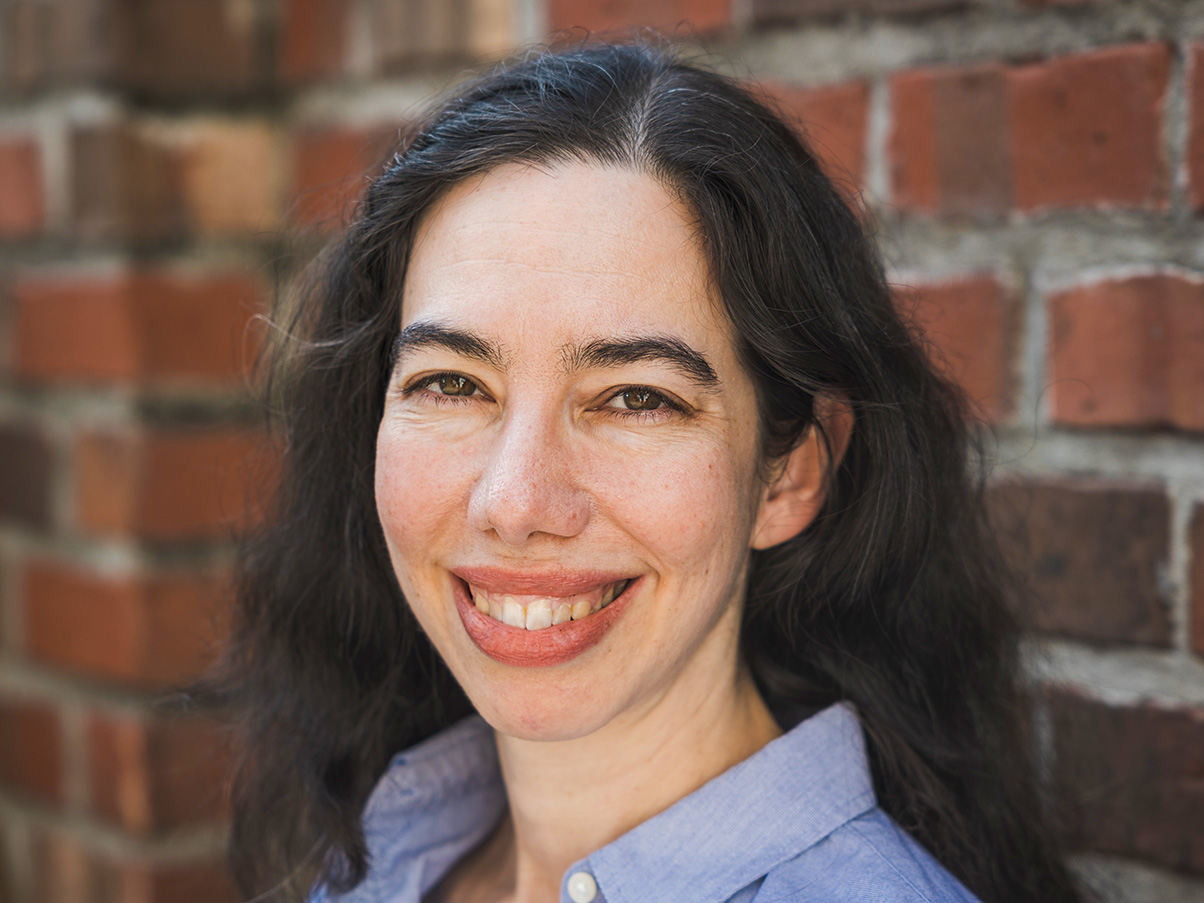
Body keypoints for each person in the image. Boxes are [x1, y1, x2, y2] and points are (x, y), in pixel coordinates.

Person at [212, 42, 1083, 903]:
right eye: (451, 382)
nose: (515, 503)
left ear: (788, 475)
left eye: (636, 398)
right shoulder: (382, 857)